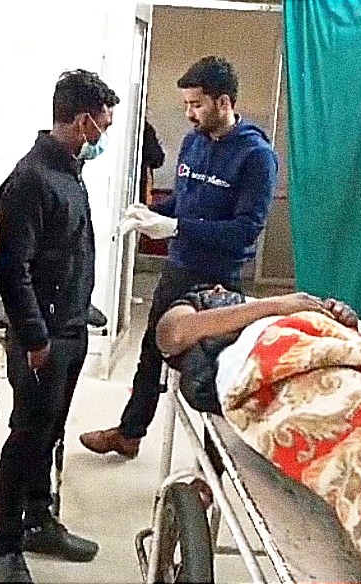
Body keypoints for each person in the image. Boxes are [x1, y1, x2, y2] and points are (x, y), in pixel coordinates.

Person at [80, 56, 278, 458]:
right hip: (179, 268)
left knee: (211, 372)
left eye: (196, 105)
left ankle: (218, 463)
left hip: (219, 282)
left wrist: (176, 227)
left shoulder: (256, 156)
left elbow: (245, 230)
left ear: (224, 102)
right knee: (150, 352)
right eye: (186, 104)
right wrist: (150, 213)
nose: (189, 114)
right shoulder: (194, 142)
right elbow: (184, 203)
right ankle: (130, 433)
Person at [0, 69, 119, 584]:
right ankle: (5, 546)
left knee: (50, 432)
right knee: (26, 436)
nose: (103, 137)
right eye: (103, 126)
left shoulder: (68, 171)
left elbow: (64, 254)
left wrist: (81, 310)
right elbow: (12, 269)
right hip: (42, 339)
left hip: (70, 328)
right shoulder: (30, 179)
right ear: (84, 121)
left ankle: (39, 521)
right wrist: (35, 337)